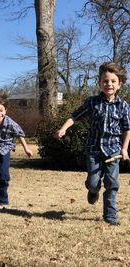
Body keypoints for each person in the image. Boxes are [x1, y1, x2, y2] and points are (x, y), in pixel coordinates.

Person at [55, 62, 130, 226]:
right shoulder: (93, 102)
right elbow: (74, 116)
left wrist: (124, 149)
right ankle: (92, 190)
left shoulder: (123, 106)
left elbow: (127, 130)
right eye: (105, 81)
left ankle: (110, 215)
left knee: (112, 184)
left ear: (120, 84)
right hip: (93, 150)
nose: (109, 84)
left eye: (113, 81)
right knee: (94, 182)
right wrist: (63, 129)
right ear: (99, 83)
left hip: (113, 151)